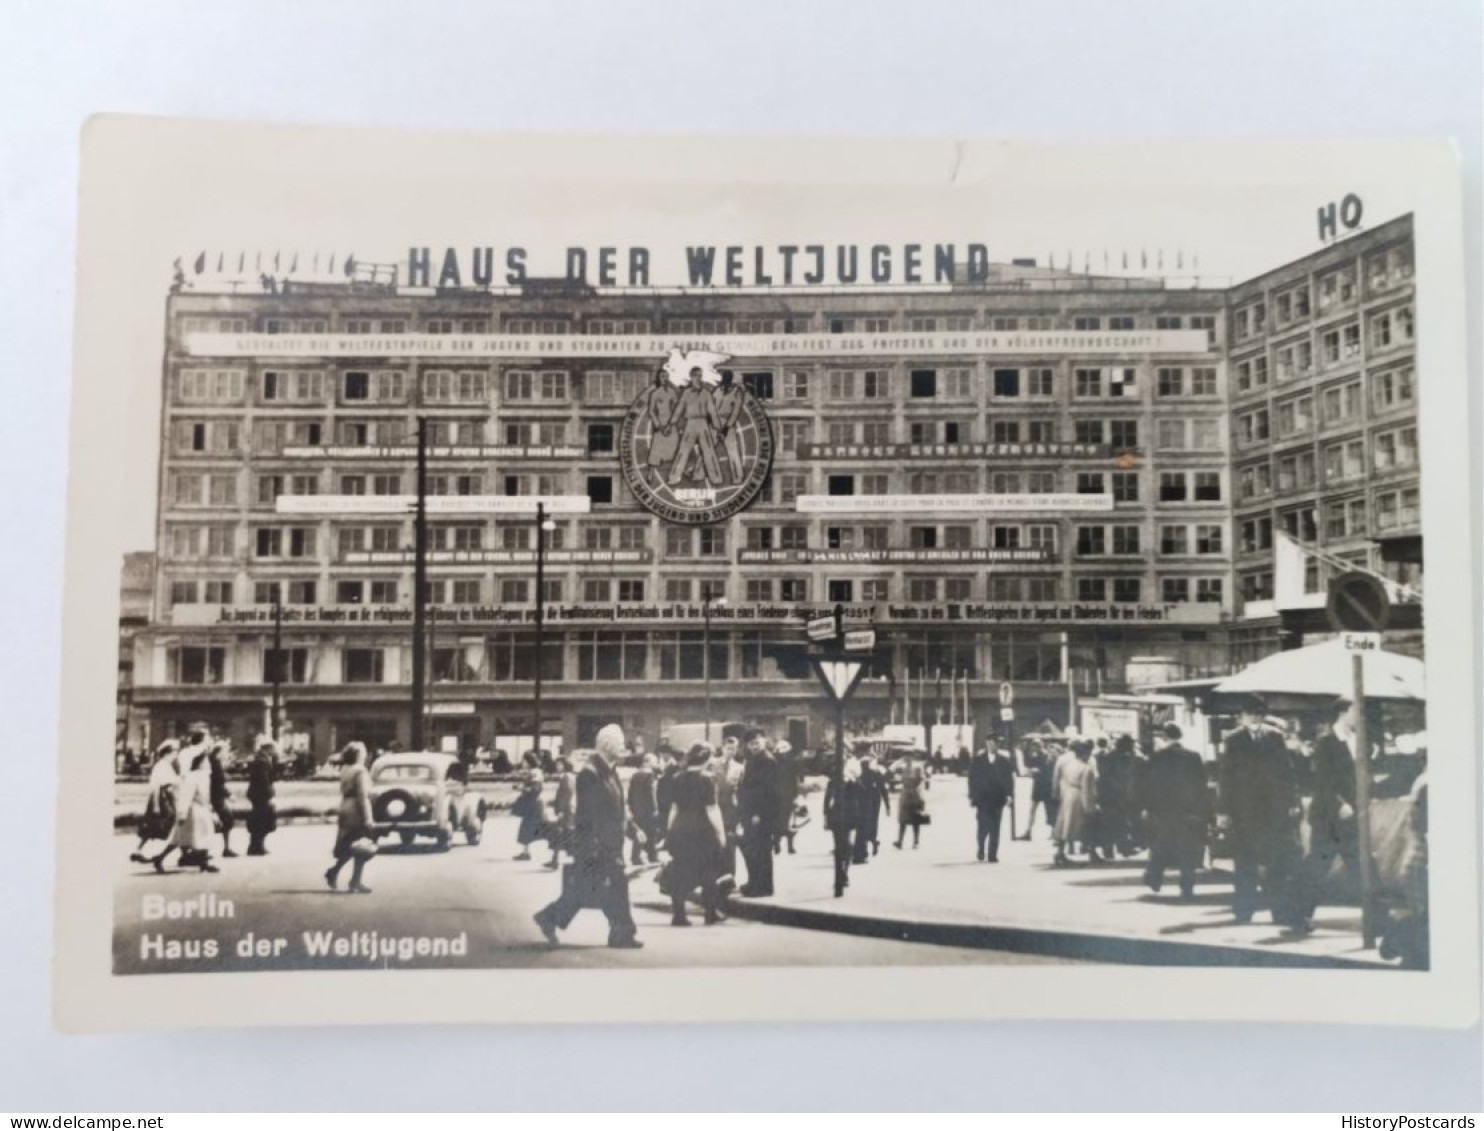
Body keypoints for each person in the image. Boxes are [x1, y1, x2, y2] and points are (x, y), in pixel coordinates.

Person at [533, 723, 642, 948]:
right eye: (620, 743)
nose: (624, 747)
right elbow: (587, 814)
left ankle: (549, 917)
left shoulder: (609, 771)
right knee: (616, 884)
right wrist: (592, 845)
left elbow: (618, 808)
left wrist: (633, 829)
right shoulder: (590, 774)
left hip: (610, 842)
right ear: (607, 745)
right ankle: (622, 933)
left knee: (586, 890)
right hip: (598, 843)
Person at [1219, 698, 1303, 926]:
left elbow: (1287, 772)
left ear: (1263, 715)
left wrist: (1292, 801)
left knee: (1277, 862)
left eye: (1257, 714)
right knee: (1245, 862)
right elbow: (1226, 776)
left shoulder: (1275, 737)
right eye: (1249, 714)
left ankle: (1278, 910)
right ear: (1243, 716)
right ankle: (1243, 910)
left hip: (1273, 810)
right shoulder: (1233, 740)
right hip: (1243, 810)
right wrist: (1223, 811)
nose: (1254, 718)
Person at [1294, 699, 1360, 931]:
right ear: (1343, 713)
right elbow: (1322, 782)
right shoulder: (1326, 744)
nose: (1359, 715)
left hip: (1352, 816)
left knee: (1362, 864)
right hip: (1328, 816)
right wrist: (1340, 803)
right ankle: (1300, 915)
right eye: (1355, 710)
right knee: (1318, 865)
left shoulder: (1357, 741)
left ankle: (1378, 919)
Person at [662, 744, 728, 926]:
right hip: (702, 830)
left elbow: (674, 808)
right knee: (708, 871)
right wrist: (721, 834)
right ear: (706, 760)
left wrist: (670, 831)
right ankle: (710, 912)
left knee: (679, 871)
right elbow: (712, 809)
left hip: (680, 829)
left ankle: (679, 915)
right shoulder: (707, 780)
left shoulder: (677, 778)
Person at [1141, 723, 1209, 898]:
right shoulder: (1193, 757)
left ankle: (1154, 878)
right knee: (1189, 847)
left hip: (1164, 810)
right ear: (1180, 736)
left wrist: (1149, 808)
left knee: (1162, 844)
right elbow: (1201, 785)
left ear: (1164, 737)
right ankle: (1187, 886)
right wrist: (1200, 810)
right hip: (1188, 810)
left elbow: (1149, 786)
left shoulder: (1157, 758)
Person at [324, 742, 376, 894]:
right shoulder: (360, 771)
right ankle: (354, 880)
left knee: (349, 844)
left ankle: (336, 872)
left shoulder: (346, 769)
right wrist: (368, 818)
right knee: (361, 845)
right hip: (356, 810)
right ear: (359, 755)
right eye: (364, 753)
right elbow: (363, 796)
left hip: (345, 806)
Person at [736, 728, 782, 897]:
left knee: (761, 850)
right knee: (752, 848)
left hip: (761, 814)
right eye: (750, 744)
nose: (753, 746)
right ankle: (753, 882)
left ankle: (763, 886)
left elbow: (767, 791)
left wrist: (759, 814)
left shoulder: (767, 761)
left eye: (756, 742)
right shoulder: (754, 759)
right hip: (750, 812)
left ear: (764, 740)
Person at [172, 744, 220, 873]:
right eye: (205, 761)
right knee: (190, 838)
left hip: (202, 810)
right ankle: (160, 858)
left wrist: (211, 810)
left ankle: (203, 863)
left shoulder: (204, 777)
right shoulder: (192, 776)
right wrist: (182, 813)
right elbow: (187, 795)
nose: (208, 764)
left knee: (202, 836)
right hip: (193, 811)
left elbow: (206, 796)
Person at [132, 740, 181, 864]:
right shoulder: (161, 766)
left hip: (166, 797)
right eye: (174, 752)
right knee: (158, 825)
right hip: (161, 798)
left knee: (155, 826)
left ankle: (139, 851)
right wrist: (156, 805)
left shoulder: (166, 765)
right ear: (167, 753)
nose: (176, 755)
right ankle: (144, 852)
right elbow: (156, 786)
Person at [1052, 740, 1098, 866]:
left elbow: (1058, 778)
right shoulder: (1086, 768)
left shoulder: (1069, 765)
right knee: (1087, 825)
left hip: (1067, 794)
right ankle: (1091, 852)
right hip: (1078, 797)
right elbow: (1086, 789)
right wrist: (1088, 807)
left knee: (1065, 825)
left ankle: (1060, 852)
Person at [823, 758, 864, 898]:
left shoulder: (853, 783)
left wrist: (852, 780)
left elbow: (861, 793)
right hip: (836, 817)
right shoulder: (832, 783)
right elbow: (827, 802)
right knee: (839, 846)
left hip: (850, 817)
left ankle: (844, 873)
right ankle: (840, 875)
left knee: (847, 846)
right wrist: (826, 819)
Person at [968, 742, 1015, 862]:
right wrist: (972, 796)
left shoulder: (1004, 761)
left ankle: (993, 854)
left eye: (995, 744)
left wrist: (1009, 795)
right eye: (990, 743)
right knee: (982, 826)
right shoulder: (978, 760)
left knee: (996, 826)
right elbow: (972, 778)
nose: (993, 746)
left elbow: (1009, 779)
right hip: (982, 799)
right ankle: (981, 848)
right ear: (987, 744)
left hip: (998, 798)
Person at [626, 754, 662, 865]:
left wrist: (631, 805)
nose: (655, 764)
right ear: (647, 762)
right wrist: (655, 807)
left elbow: (630, 792)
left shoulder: (635, 775)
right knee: (651, 832)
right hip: (648, 808)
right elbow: (651, 793)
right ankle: (652, 855)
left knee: (640, 831)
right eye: (654, 761)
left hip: (637, 807)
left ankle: (635, 856)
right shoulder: (650, 775)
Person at [245, 738, 279, 856]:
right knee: (261, 820)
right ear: (268, 748)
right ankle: (256, 846)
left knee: (261, 820)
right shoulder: (262, 761)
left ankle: (257, 845)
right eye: (274, 749)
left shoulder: (262, 759)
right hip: (261, 795)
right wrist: (269, 794)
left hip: (258, 794)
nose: (275, 751)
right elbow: (264, 780)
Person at [854, 754, 891, 862]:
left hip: (873, 804)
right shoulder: (860, 777)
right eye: (862, 765)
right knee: (868, 824)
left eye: (865, 765)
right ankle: (872, 841)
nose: (863, 767)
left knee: (870, 824)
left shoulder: (874, 775)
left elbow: (883, 790)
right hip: (865, 804)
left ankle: (873, 841)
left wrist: (887, 805)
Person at [206, 740, 237, 858]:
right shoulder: (215, 764)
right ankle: (225, 848)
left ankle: (225, 848)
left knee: (224, 821)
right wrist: (229, 795)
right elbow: (217, 784)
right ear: (219, 751)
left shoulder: (214, 763)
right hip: (216, 798)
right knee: (226, 820)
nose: (227, 753)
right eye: (225, 751)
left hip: (216, 797)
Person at [510, 769, 549, 861]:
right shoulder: (536, 781)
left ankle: (526, 852)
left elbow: (532, 790)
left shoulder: (536, 782)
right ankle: (525, 852)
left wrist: (521, 788)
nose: (531, 776)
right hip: (533, 809)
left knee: (529, 829)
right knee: (527, 830)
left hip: (533, 809)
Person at [545, 756, 576, 871]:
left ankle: (556, 860)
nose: (557, 766)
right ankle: (555, 859)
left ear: (564, 765)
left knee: (561, 834)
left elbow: (566, 794)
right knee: (562, 835)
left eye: (559, 764)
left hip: (566, 811)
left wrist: (561, 810)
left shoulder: (566, 777)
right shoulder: (571, 776)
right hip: (570, 811)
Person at [772, 740, 802, 855]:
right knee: (780, 822)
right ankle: (779, 844)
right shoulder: (775, 763)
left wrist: (796, 795)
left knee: (784, 822)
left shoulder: (791, 763)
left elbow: (795, 781)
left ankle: (785, 845)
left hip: (786, 797)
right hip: (778, 797)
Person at [893, 755, 929, 849]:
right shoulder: (903, 767)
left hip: (914, 795)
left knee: (916, 819)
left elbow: (921, 779)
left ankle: (916, 842)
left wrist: (913, 787)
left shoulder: (917, 767)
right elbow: (892, 769)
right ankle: (900, 841)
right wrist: (899, 761)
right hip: (906, 794)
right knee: (903, 820)